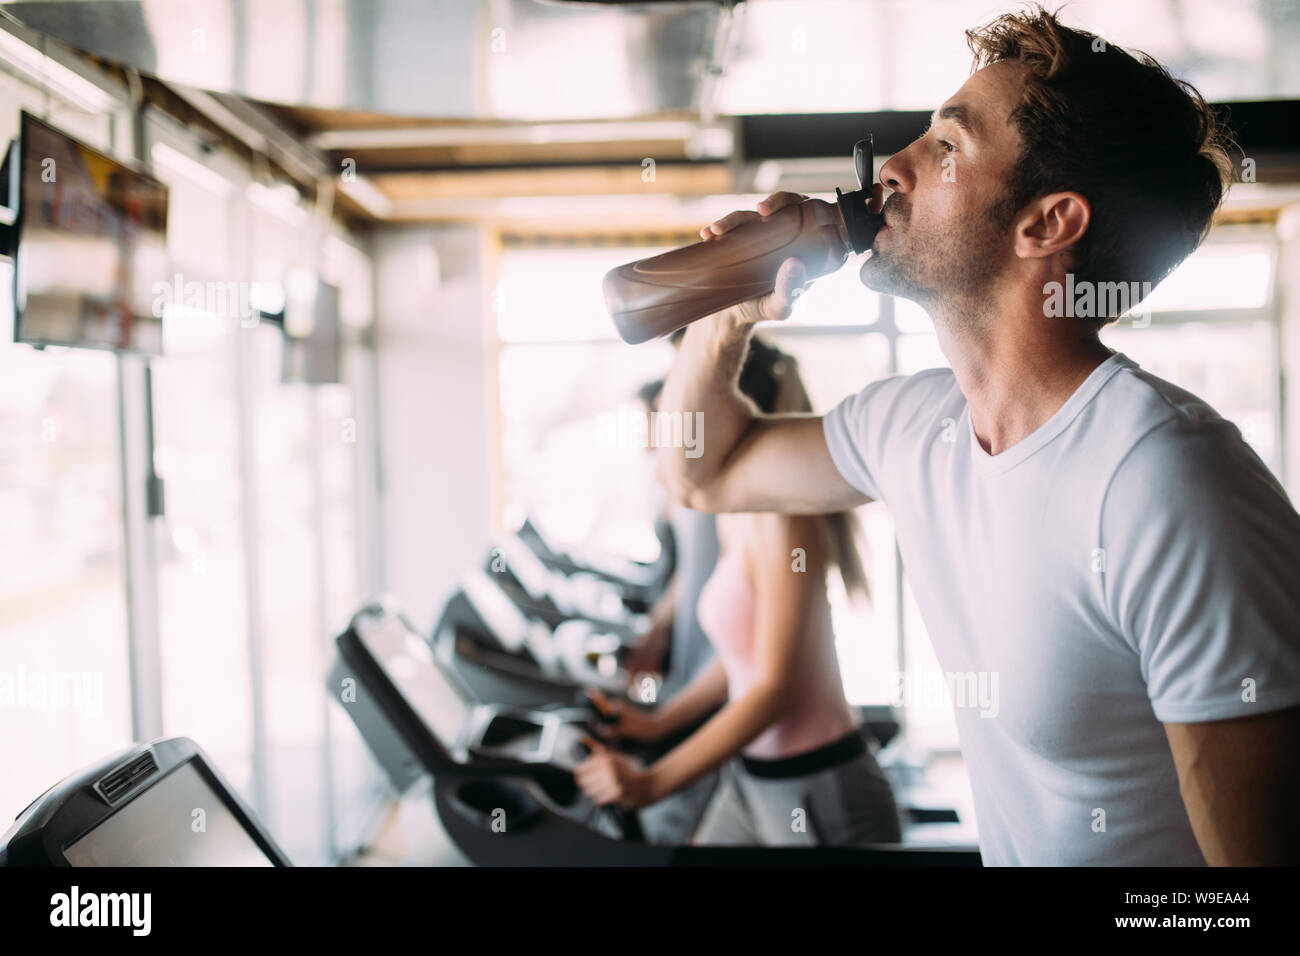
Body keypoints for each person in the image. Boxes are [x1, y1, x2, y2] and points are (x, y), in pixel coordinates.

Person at [652, 5, 1300, 865]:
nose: (894, 167)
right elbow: (705, 476)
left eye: (948, 147)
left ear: (1047, 223)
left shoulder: (1168, 484)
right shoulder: (913, 426)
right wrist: (729, 315)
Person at [577, 338, 903, 847]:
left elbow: (773, 689)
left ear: (726, 412)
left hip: (818, 788)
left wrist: (651, 782)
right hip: (751, 779)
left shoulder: (783, 520)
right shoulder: (734, 513)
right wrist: (656, 722)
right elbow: (741, 657)